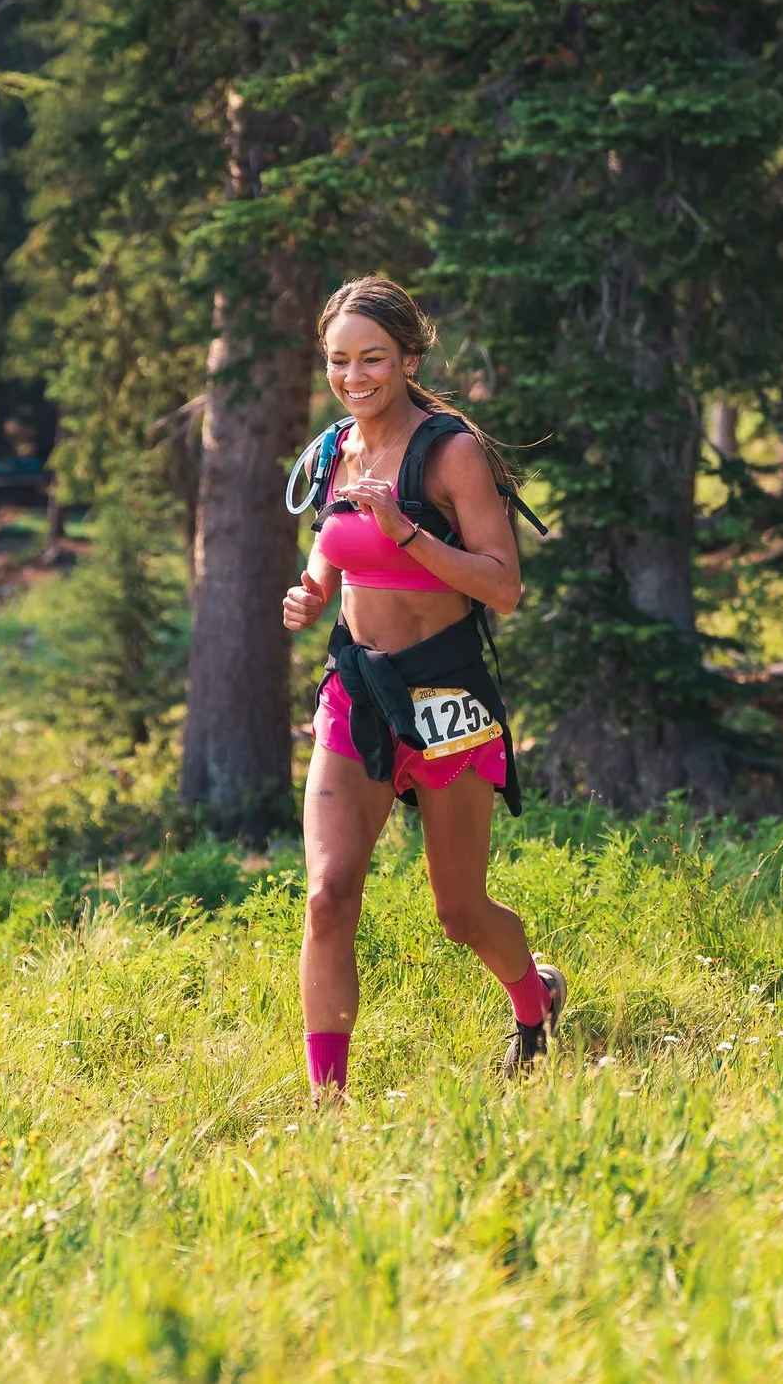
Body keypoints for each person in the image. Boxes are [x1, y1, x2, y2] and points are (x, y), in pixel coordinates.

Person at [280, 276, 563, 1098]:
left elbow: (503, 587)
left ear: (408, 356)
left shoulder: (452, 452)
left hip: (448, 695)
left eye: (372, 357)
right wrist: (311, 590)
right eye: (339, 359)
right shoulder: (336, 448)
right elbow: (331, 549)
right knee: (329, 896)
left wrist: (408, 533)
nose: (354, 375)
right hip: (358, 690)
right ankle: (326, 1104)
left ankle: (534, 998)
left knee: (459, 911)